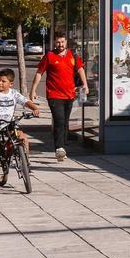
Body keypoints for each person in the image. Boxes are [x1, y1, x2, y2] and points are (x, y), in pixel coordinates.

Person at [29, 33, 88, 162]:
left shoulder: (73, 55)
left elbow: (80, 69)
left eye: (62, 42)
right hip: (54, 95)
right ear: (54, 43)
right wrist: (32, 90)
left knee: (65, 122)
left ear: (66, 42)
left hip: (69, 94)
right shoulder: (49, 56)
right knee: (59, 120)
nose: (60, 45)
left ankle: (62, 147)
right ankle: (59, 148)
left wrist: (85, 84)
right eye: (58, 42)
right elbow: (39, 73)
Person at [0, 68, 40, 189]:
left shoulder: (14, 93)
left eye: (3, 81)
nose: (0, 83)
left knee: (23, 138)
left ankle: (25, 163)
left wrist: (34, 108)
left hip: (9, 124)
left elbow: (25, 101)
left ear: (11, 84)